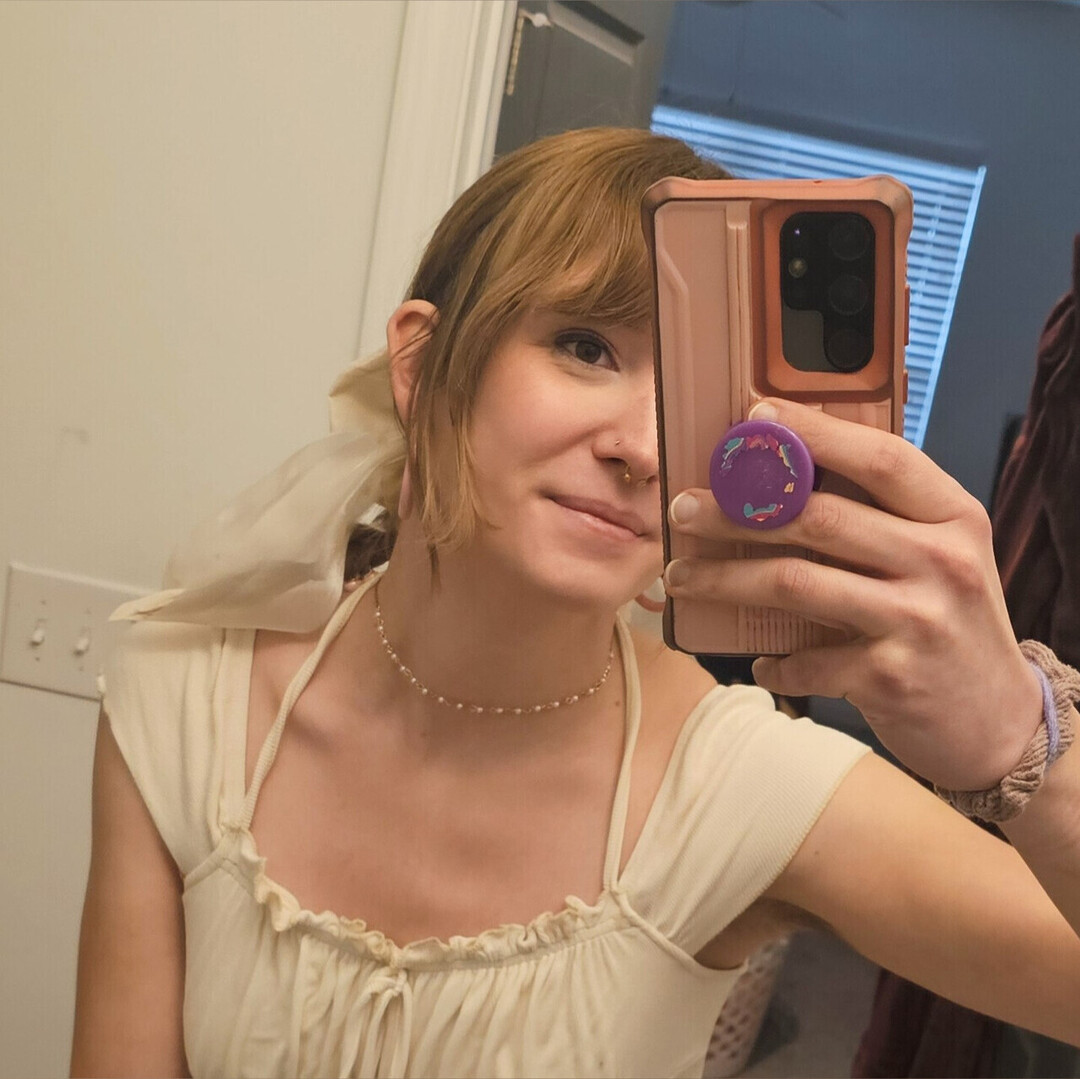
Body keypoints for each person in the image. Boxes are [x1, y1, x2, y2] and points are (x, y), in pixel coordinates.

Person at [70, 127, 1080, 1079]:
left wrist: (1015, 741)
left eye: (698, 399)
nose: (641, 447)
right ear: (421, 362)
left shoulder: (732, 784)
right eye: (586, 346)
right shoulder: (188, 702)